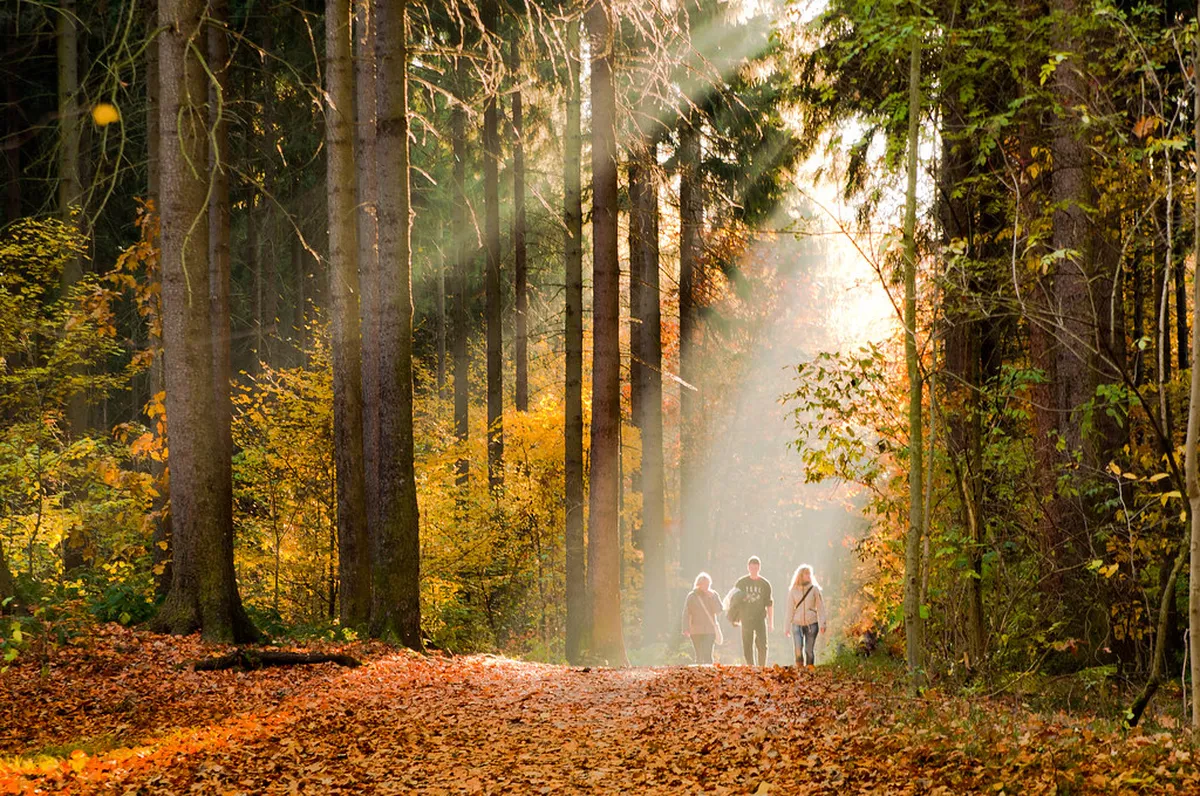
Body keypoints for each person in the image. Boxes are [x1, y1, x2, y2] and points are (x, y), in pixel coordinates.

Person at [784, 564, 827, 668]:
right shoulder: (793, 590)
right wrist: (786, 627)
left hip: (811, 623)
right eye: (806, 574)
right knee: (798, 649)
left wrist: (822, 623)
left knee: (809, 650)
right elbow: (789, 609)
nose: (809, 576)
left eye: (809, 574)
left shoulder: (814, 589)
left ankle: (810, 669)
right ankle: (800, 669)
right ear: (800, 575)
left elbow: (820, 607)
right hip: (796, 624)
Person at [734, 556, 773, 666]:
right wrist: (735, 618)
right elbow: (735, 601)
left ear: (759, 567)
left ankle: (761, 667)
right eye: (752, 567)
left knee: (762, 644)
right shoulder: (741, 583)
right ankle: (751, 666)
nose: (754, 569)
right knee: (747, 644)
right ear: (748, 567)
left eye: (756, 567)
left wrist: (771, 623)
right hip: (745, 618)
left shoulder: (765, 584)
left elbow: (769, 603)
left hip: (760, 618)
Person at [681, 572, 724, 664]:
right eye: (704, 584)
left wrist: (712, 598)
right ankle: (698, 676)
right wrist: (686, 628)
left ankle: (709, 676)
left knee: (708, 655)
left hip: (710, 629)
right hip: (696, 630)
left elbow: (719, 610)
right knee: (699, 655)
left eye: (708, 584)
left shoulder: (713, 595)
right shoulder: (692, 596)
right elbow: (686, 613)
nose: (706, 586)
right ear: (698, 584)